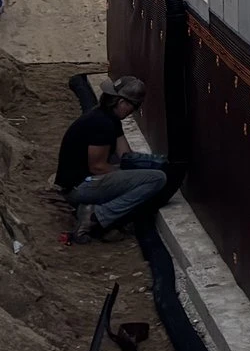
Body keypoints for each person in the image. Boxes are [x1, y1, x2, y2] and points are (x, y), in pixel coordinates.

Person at [54, 77, 167, 242]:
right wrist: (131, 176)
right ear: (122, 102)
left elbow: (126, 156)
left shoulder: (109, 118)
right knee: (156, 179)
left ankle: (90, 209)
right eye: (134, 106)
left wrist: (146, 165)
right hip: (78, 187)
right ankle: (96, 216)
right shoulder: (102, 124)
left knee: (143, 175)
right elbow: (97, 167)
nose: (132, 111)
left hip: (81, 183)